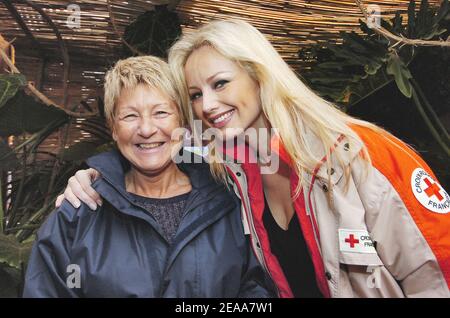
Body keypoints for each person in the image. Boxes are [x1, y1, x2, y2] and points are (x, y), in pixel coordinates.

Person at [56, 20, 450, 298]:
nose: (207, 105)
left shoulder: (361, 155)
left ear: (260, 75)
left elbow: (438, 274)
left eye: (220, 83)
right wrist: (95, 179)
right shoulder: (234, 173)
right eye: (195, 94)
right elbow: (155, 151)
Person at [23, 55, 274, 298]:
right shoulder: (78, 213)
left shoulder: (227, 198)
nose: (146, 129)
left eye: (161, 113)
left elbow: (255, 287)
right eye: (130, 116)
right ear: (113, 128)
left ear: (182, 122)